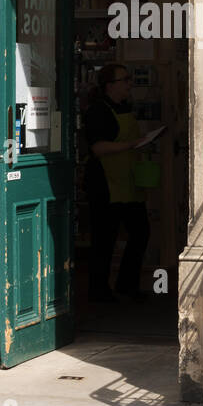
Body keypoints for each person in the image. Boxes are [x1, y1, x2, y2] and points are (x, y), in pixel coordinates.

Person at [84, 63, 158, 302]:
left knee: (140, 233)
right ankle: (99, 292)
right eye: (124, 79)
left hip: (128, 183)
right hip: (105, 184)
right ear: (110, 85)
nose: (129, 83)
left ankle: (127, 287)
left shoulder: (124, 107)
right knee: (104, 240)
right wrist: (132, 145)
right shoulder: (98, 111)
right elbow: (98, 147)